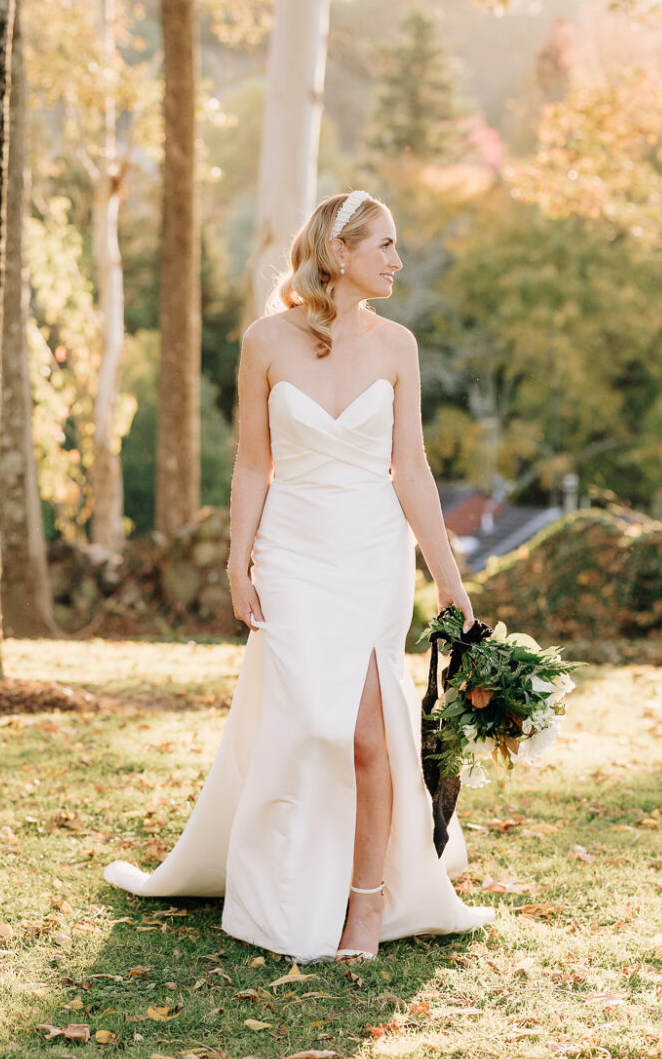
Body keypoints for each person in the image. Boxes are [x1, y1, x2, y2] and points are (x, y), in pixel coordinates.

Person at [103, 190, 495, 962]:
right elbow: (254, 463)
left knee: (365, 733)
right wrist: (236, 559)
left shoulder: (398, 347)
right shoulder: (265, 341)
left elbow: (410, 470)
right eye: (383, 245)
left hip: (371, 554)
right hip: (291, 550)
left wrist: (447, 577)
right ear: (338, 252)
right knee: (305, 726)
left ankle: (366, 905)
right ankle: (287, 885)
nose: (396, 260)